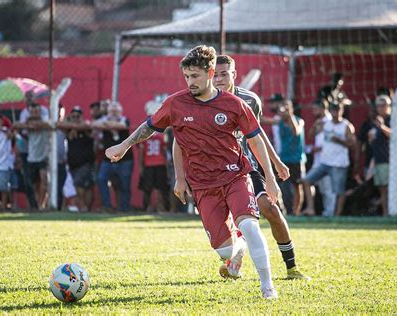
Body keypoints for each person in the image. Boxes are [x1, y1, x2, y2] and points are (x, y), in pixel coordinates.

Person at [105, 45, 279, 299]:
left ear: (210, 73)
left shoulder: (235, 104)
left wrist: (271, 179)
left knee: (250, 225)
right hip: (203, 184)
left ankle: (268, 287)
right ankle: (238, 247)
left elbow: (256, 140)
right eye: (187, 77)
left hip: (235, 175)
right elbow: (149, 127)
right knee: (224, 251)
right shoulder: (176, 103)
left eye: (195, 76)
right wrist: (124, 145)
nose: (190, 82)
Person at [176, 54, 307, 279]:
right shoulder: (196, 100)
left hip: (245, 166)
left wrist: (275, 164)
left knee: (270, 209)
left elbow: (257, 134)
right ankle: (235, 255)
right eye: (215, 74)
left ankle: (291, 267)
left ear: (234, 75)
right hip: (212, 173)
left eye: (224, 74)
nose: (219, 79)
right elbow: (179, 139)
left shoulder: (250, 100)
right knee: (230, 228)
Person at [302, 102, 356, 216]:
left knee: (338, 190)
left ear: (342, 111)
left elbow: (352, 143)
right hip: (324, 162)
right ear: (330, 111)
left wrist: (339, 140)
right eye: (333, 110)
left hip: (339, 163)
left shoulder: (346, 126)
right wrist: (315, 126)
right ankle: (310, 209)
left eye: (337, 110)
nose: (335, 113)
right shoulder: (325, 124)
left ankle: (337, 215)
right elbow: (311, 135)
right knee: (307, 181)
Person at [95, 101, 134, 212]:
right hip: (108, 159)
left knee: (125, 184)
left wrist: (106, 124)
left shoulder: (124, 119)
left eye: (116, 111)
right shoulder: (104, 119)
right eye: (112, 111)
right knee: (101, 179)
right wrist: (109, 124)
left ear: (120, 112)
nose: (114, 113)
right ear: (108, 112)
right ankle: (107, 206)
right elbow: (94, 124)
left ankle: (124, 208)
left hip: (125, 159)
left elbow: (122, 125)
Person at [57, 106, 95, 212]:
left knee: (79, 183)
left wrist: (74, 127)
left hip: (86, 162)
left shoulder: (85, 126)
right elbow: (58, 124)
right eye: (73, 116)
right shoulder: (68, 128)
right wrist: (71, 125)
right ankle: (86, 208)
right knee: (84, 185)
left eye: (77, 116)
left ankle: (83, 206)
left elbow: (87, 125)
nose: (75, 118)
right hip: (73, 163)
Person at [272, 99, 306, 215]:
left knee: (297, 186)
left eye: (286, 108)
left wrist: (290, 115)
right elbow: (262, 121)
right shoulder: (279, 121)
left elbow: (296, 131)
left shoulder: (299, 121)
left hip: (296, 159)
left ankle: (296, 212)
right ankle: (280, 209)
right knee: (275, 182)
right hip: (284, 159)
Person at [304, 99, 336, 216]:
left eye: (315, 109)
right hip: (318, 160)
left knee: (328, 188)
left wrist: (317, 148)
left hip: (328, 160)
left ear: (323, 108)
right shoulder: (319, 121)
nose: (313, 111)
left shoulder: (330, 121)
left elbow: (329, 141)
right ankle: (313, 209)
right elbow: (311, 135)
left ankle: (330, 213)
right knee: (312, 184)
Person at [138, 104, 169, 212]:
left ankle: (147, 208)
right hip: (159, 163)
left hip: (150, 164)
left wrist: (141, 166)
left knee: (149, 189)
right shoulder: (161, 135)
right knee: (160, 189)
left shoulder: (144, 136)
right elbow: (164, 150)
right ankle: (161, 209)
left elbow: (141, 152)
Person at [368, 95, 392, 216]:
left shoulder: (393, 119)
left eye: (383, 105)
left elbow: (394, 136)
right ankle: (385, 212)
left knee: (388, 189)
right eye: (378, 105)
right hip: (378, 160)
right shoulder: (375, 122)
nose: (381, 108)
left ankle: (389, 212)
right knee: (382, 189)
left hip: (389, 160)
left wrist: (382, 127)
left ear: (389, 106)